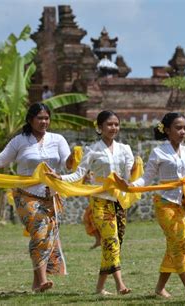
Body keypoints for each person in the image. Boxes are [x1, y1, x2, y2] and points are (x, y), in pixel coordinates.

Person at [48, 110, 133, 295]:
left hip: (118, 202)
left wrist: (129, 184)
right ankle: (120, 284)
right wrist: (60, 176)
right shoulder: (93, 150)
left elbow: (128, 179)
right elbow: (79, 174)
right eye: (109, 124)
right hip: (100, 201)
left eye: (116, 124)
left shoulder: (126, 149)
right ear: (100, 127)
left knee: (113, 245)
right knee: (111, 240)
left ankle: (99, 288)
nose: (113, 128)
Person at [0, 102, 70, 292]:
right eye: (40, 118)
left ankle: (36, 283)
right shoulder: (19, 141)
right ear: (30, 120)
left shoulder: (58, 139)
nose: (44, 121)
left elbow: (68, 162)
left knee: (45, 237)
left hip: (53, 196)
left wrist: (75, 159)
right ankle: (42, 281)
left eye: (46, 118)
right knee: (40, 232)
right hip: (26, 195)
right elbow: (0, 160)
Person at [130, 113, 185, 299]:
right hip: (165, 204)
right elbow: (146, 179)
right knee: (180, 241)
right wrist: (130, 186)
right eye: (178, 128)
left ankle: (159, 288)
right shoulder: (158, 152)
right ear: (167, 130)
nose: (182, 132)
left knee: (177, 244)